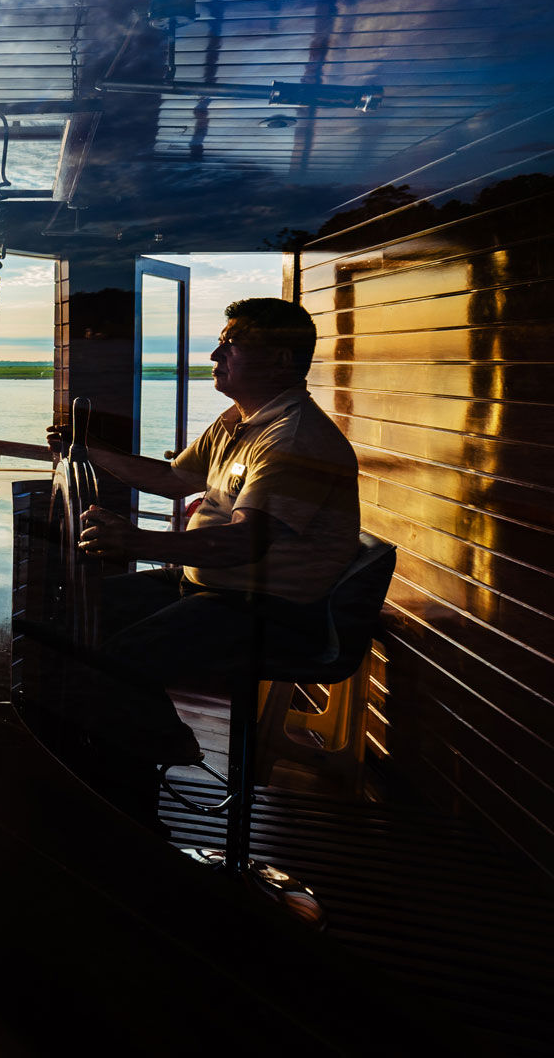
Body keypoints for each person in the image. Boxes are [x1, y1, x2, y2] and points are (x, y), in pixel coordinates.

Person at [42, 296, 361, 771]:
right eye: (220, 344)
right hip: (213, 586)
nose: (215, 356)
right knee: (68, 608)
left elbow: (242, 543)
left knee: (124, 659)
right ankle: (120, 749)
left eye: (231, 345)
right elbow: (173, 479)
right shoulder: (241, 421)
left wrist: (136, 542)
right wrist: (85, 451)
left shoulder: (293, 439)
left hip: (271, 610)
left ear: (279, 359)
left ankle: (144, 784)